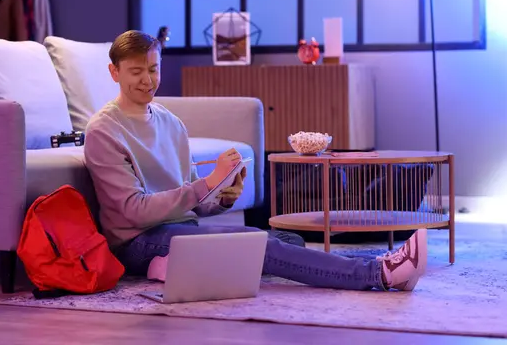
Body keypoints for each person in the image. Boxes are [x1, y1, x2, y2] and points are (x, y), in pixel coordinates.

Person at [84, 30, 428, 292]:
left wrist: (221, 197)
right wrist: (204, 183)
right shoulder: (104, 131)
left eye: (153, 69)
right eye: (135, 72)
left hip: (177, 230)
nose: (147, 80)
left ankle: (178, 266)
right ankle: (378, 274)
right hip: (137, 242)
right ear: (114, 73)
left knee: (284, 242)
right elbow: (132, 211)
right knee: (260, 244)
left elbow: (193, 205)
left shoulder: (170, 122)